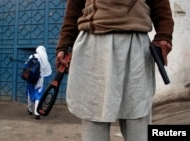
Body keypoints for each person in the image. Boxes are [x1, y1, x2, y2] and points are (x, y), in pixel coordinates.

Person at [56, 0, 174, 140]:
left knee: (137, 114)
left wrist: (164, 34)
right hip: (94, 44)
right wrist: (64, 44)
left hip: (134, 44)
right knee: (94, 112)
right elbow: (74, 7)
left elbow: (160, 3)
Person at [26, 45, 52, 120]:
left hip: (31, 79)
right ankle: (37, 113)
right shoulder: (44, 59)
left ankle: (30, 109)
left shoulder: (32, 56)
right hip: (40, 80)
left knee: (30, 94)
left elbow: (26, 66)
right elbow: (47, 71)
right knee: (38, 95)